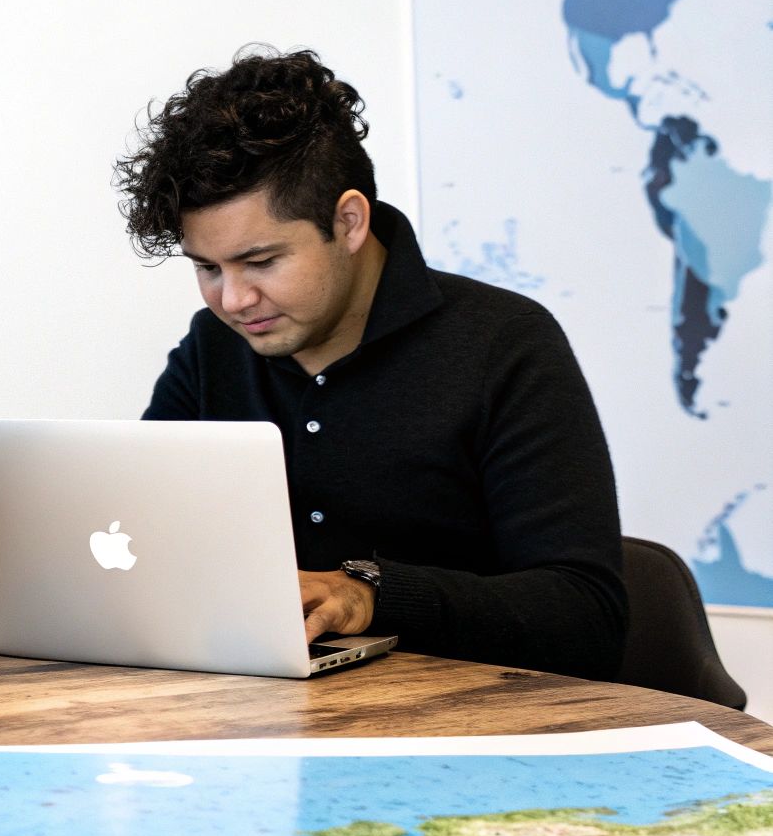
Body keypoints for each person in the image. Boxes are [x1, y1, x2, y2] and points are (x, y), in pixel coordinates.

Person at [116, 46, 627, 681]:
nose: (234, 300)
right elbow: (139, 538)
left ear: (350, 222)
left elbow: (587, 617)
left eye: (261, 262)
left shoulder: (505, 344)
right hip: (262, 714)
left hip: (469, 722)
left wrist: (372, 593)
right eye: (207, 268)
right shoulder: (213, 346)